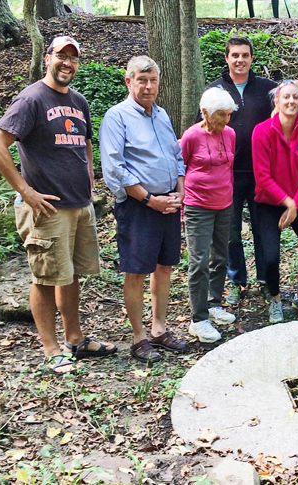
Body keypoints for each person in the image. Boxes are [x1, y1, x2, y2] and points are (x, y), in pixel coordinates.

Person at [0, 35, 116, 375]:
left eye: (73, 58)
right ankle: (51, 348)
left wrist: (88, 180)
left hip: (78, 204)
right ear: (48, 58)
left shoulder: (79, 101)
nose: (67, 63)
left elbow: (85, 144)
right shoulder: (31, 99)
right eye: (61, 56)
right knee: (45, 278)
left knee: (69, 275)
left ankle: (75, 338)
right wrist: (26, 191)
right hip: (46, 208)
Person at [99, 55, 188, 365]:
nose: (148, 86)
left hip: (169, 204)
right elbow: (115, 170)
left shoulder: (161, 115)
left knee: (165, 267)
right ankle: (138, 338)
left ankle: (159, 328)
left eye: (153, 81)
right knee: (136, 272)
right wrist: (151, 199)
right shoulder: (117, 117)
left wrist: (180, 187)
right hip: (139, 207)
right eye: (142, 80)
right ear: (129, 81)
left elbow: (176, 156)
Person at [203, 36, 276, 306]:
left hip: (262, 173)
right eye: (235, 55)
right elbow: (203, 128)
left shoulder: (268, 89)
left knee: (263, 229)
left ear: (252, 58)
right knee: (230, 232)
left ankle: (268, 281)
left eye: (245, 55)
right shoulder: (214, 90)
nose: (240, 60)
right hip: (227, 175)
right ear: (227, 58)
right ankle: (237, 281)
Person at [252, 81, 298, 323]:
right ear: (277, 102)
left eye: (295, 97)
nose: (291, 101)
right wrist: (287, 203)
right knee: (270, 258)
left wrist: (296, 204)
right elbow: (262, 176)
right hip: (269, 203)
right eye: (286, 97)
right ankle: (275, 300)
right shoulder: (261, 131)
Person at [180, 88, 238, 343]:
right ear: (204, 112)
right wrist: (182, 204)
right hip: (197, 206)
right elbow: (179, 167)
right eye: (220, 115)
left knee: (220, 257)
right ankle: (198, 318)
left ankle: (214, 303)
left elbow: (229, 166)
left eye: (228, 114)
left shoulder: (230, 133)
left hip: (224, 204)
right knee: (199, 261)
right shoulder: (191, 135)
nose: (225, 120)